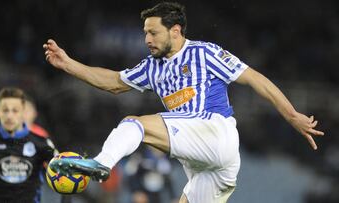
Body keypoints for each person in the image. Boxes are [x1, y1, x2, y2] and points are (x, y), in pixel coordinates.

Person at [43, 2, 324, 203]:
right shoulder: (151, 66)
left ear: (175, 31)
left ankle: (102, 163)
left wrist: (291, 116)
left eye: (153, 32)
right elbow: (114, 82)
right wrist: (68, 64)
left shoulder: (205, 53)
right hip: (205, 168)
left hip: (216, 134)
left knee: (133, 124)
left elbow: (254, 79)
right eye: (145, 33)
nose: (147, 39)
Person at [0, 87, 58, 203]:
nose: (9, 116)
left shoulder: (41, 142)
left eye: (15, 110)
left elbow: (65, 176)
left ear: (23, 112)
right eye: (5, 110)